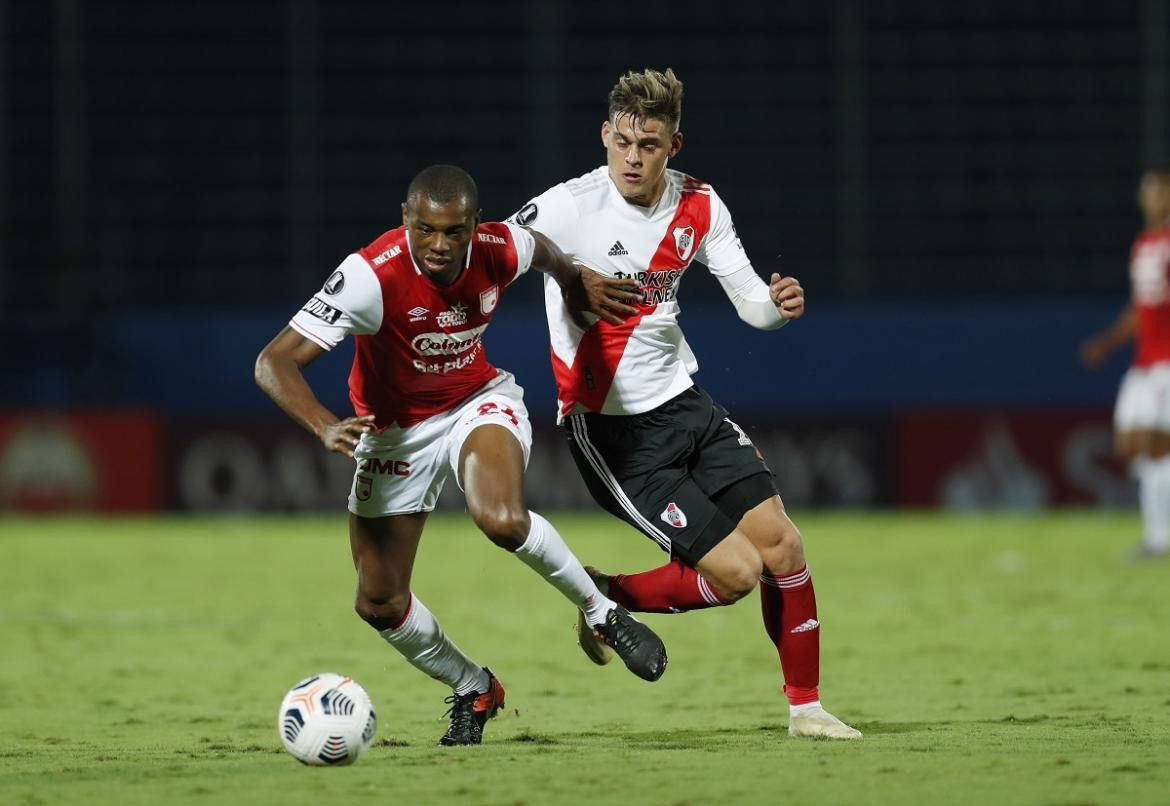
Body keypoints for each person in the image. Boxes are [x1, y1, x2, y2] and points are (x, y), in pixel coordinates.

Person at [255, 164, 667, 747]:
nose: (440, 245)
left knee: (498, 517)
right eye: (426, 230)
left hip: (478, 401)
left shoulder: (498, 247)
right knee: (378, 601)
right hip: (393, 434)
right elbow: (273, 362)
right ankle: (474, 687)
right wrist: (323, 424)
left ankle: (604, 614)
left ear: (475, 225)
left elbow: (541, 249)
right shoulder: (369, 276)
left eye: (454, 232)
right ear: (406, 220)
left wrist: (574, 278)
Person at [511, 69, 861, 739]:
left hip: (687, 408)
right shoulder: (569, 207)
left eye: (649, 143)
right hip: (615, 435)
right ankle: (605, 599)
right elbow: (495, 252)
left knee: (784, 548)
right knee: (735, 575)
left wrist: (778, 308)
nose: (633, 158)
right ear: (605, 136)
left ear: (675, 143)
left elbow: (751, 302)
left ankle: (806, 710)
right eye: (622, 142)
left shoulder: (699, 204)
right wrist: (559, 274)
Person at [1081, 167, 1170, 560]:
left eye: (1157, 190)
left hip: (1168, 362)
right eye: (1146, 191)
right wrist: (1108, 341)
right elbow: (1140, 308)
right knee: (1131, 447)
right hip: (1142, 362)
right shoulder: (1144, 244)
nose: (1149, 197)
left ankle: (1158, 538)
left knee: (1157, 451)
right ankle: (1157, 535)